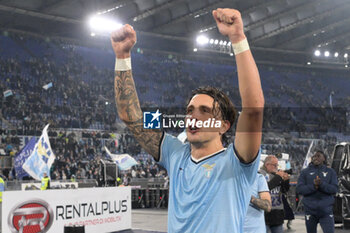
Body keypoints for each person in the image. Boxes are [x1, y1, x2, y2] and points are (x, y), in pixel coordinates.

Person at [111, 8, 264, 233]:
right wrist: (122, 57)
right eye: (190, 110)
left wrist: (238, 39)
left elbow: (253, 109)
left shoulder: (237, 161)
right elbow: (130, 117)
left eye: (205, 110)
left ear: (224, 125)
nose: (194, 116)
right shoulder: (175, 152)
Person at [296, 151, 338, 233]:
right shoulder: (305, 172)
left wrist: (321, 184)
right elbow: (299, 189)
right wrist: (313, 186)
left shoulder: (331, 172)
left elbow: (334, 189)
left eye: (318, 156)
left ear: (324, 158)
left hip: (326, 211)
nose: (315, 158)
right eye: (314, 156)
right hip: (310, 211)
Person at [260, 155, 290, 233]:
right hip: (264, 214)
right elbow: (266, 188)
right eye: (274, 165)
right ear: (267, 165)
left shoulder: (276, 174)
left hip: (277, 213)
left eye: (277, 165)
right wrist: (278, 177)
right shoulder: (260, 174)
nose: (276, 167)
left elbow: (284, 191)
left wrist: (286, 181)